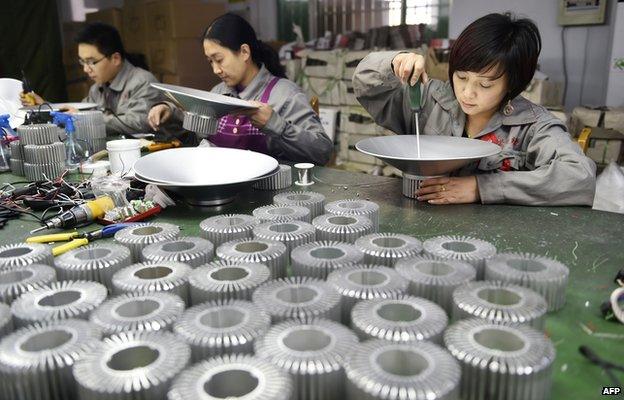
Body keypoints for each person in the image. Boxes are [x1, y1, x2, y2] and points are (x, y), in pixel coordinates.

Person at [353, 13, 596, 206]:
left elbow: (579, 177)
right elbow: (365, 85)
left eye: (485, 84)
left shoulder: (533, 125)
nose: (467, 93)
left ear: (512, 84)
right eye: (461, 77)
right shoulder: (429, 98)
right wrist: (395, 61)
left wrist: (482, 187)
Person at [148, 13, 333, 165]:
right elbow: (197, 137)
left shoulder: (285, 95)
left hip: (269, 197)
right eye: (210, 61)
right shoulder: (218, 92)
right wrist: (170, 112)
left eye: (219, 59)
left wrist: (276, 125)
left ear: (244, 52)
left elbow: (322, 152)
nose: (215, 70)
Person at [21, 23, 165, 137]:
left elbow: (138, 122)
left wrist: (83, 117)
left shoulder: (143, 81)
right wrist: (46, 107)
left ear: (115, 58)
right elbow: (78, 112)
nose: (86, 69)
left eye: (91, 61)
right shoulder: (97, 88)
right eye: (82, 61)